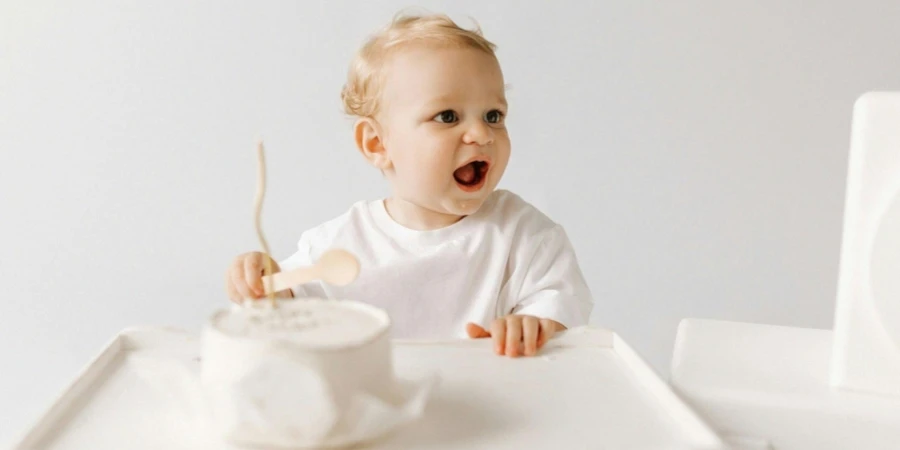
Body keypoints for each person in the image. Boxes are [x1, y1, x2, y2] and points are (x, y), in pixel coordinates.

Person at [225, 11, 593, 357]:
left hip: (491, 411)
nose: (482, 134)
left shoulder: (524, 236)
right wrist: (262, 282)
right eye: (448, 116)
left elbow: (563, 304)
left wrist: (536, 325)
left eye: (493, 115)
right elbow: (286, 309)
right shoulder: (338, 248)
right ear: (377, 144)